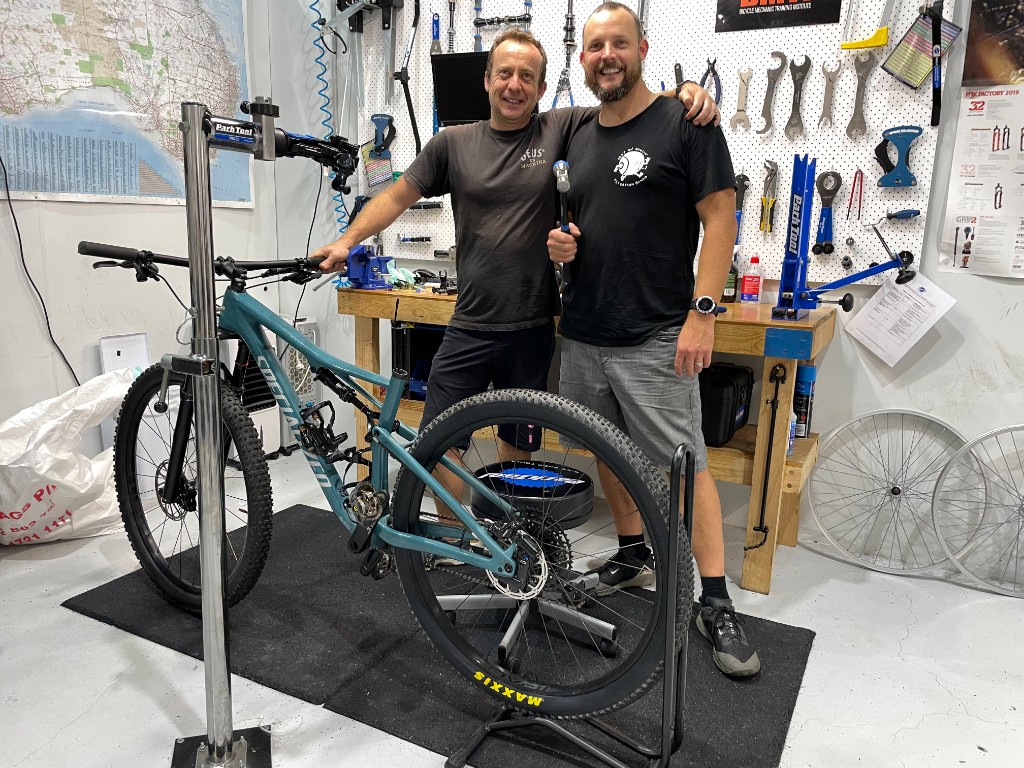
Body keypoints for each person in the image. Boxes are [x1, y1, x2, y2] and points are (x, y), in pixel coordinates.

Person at [313, 29, 718, 474]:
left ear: (542, 89)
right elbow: (395, 197)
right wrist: (346, 240)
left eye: (527, 76)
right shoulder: (452, 144)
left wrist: (683, 92)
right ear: (487, 81)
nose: (514, 85)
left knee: (516, 451)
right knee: (436, 448)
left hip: (531, 329)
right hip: (468, 325)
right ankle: (458, 540)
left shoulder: (563, 128)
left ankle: (505, 540)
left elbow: (627, 101)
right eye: (504, 73)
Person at [546, 2, 760, 678]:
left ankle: (716, 600)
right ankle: (632, 551)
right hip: (583, 330)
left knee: (682, 464)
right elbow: (582, 219)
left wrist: (704, 311)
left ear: (642, 46)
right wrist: (563, 246)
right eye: (593, 47)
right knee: (607, 450)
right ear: (581, 60)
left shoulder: (684, 121)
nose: (605, 55)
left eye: (618, 43)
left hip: (656, 333)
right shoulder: (577, 134)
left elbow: (720, 218)